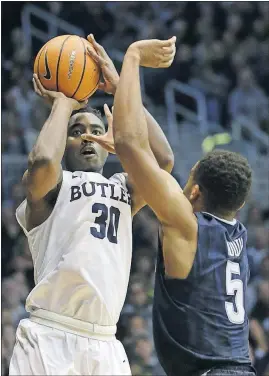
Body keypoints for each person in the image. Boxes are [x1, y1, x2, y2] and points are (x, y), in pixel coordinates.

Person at [9, 35, 174, 376]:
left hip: (105, 343)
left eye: (96, 130)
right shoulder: (52, 187)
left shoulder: (123, 190)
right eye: (76, 131)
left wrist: (120, 90)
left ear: (109, 144)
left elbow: (163, 160)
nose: (87, 137)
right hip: (50, 334)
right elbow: (42, 160)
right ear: (63, 143)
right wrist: (64, 104)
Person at [92, 36, 256, 376]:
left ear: (194, 193)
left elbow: (130, 142)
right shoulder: (237, 237)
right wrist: (122, 87)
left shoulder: (188, 226)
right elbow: (162, 158)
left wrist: (133, 58)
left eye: (186, 182)